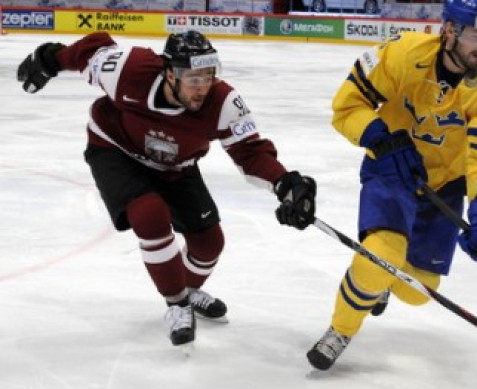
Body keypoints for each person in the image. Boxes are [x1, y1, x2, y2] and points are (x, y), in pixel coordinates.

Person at [16, 31, 317, 349]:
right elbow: (93, 50)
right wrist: (50, 58)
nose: (203, 87)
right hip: (116, 149)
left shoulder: (224, 103)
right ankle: (177, 305)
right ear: (170, 74)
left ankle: (186, 290)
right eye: (193, 79)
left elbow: (251, 152)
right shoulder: (129, 71)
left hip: (176, 165)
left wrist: (286, 184)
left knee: (209, 243)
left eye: (209, 76)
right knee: (149, 215)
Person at [306, 0, 477, 370]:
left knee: (418, 292)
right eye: (476, 34)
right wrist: (382, 139)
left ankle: (384, 283)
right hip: (391, 171)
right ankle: (341, 329)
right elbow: (347, 107)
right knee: (379, 256)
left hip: (445, 184)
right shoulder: (402, 54)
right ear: (449, 30)